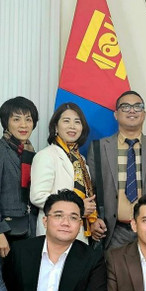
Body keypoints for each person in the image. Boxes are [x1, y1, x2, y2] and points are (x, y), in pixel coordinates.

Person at [88, 91, 146, 249]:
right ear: (116, 114)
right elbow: (91, 189)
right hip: (113, 232)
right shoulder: (99, 148)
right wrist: (92, 220)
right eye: (125, 106)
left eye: (138, 106)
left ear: (144, 114)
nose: (132, 110)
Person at [30, 103, 97, 244]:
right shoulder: (46, 155)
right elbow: (38, 196)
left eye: (77, 122)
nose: (72, 126)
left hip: (79, 232)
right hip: (55, 231)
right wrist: (77, 206)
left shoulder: (81, 160)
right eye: (66, 121)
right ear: (55, 127)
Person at [0, 96, 39, 258]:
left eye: (28, 119)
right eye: (16, 119)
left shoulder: (31, 153)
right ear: (6, 122)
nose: (23, 125)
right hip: (5, 231)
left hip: (29, 228)